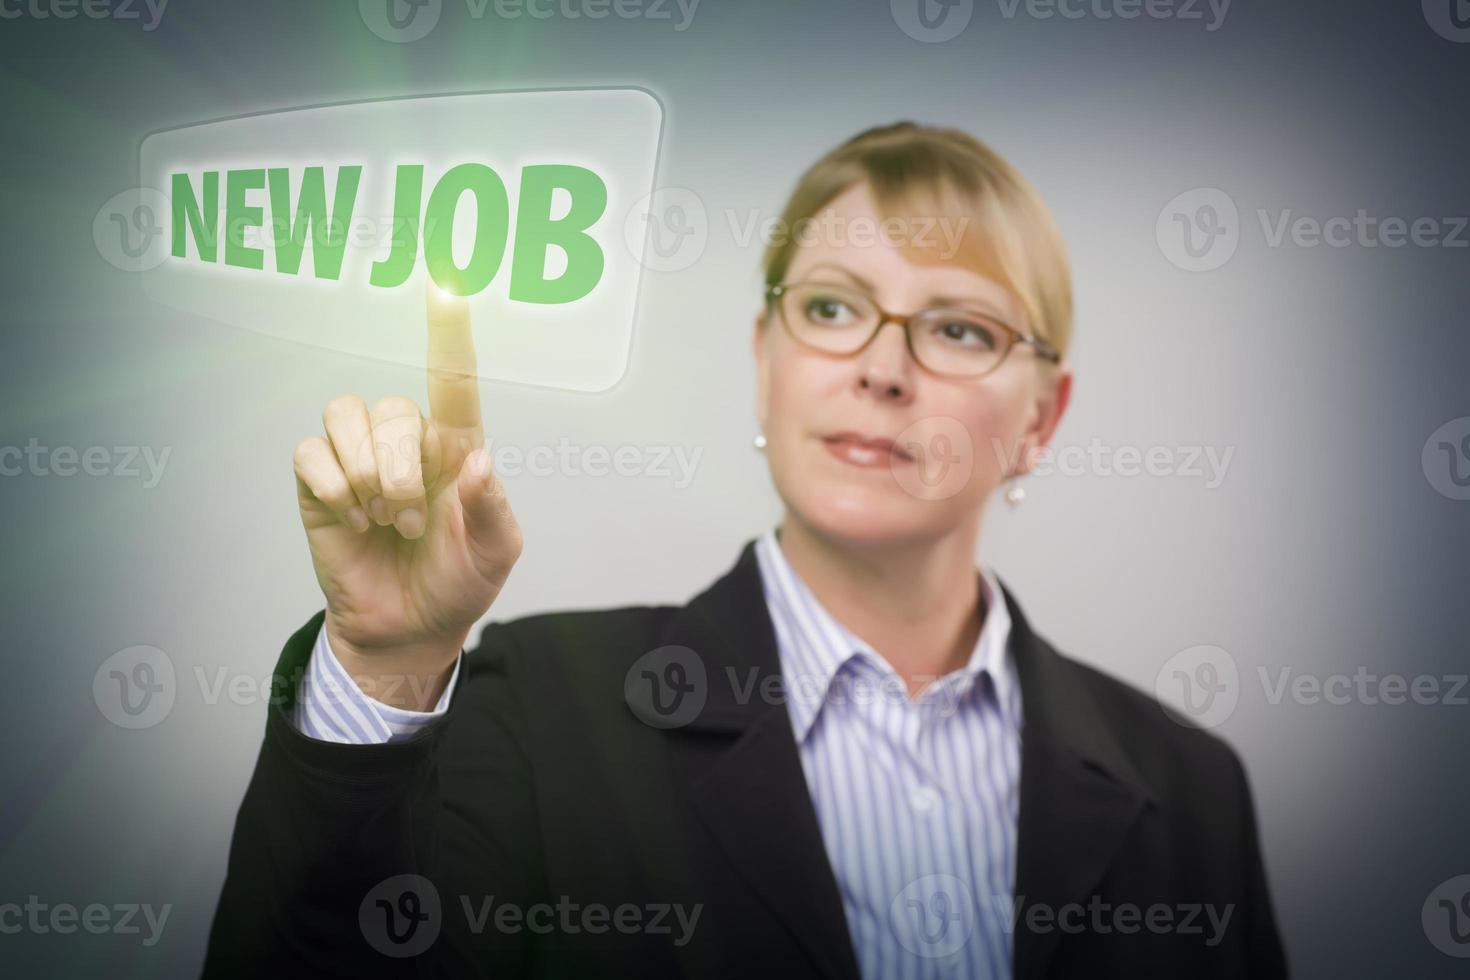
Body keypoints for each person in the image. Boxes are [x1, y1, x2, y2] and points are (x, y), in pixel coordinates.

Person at [203, 122, 1288, 979]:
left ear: (1043, 419)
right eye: (831, 307)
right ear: (766, 358)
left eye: (959, 327)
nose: (882, 365)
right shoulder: (533, 709)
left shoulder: (1191, 790)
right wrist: (386, 659)